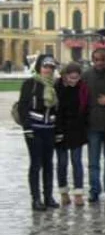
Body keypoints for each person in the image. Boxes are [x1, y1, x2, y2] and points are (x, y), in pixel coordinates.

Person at [18, 55, 60, 211]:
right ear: (39, 67)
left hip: (49, 129)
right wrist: (27, 127)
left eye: (51, 67)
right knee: (36, 164)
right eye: (45, 66)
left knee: (48, 164)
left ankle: (48, 196)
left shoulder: (54, 85)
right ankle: (36, 199)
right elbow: (23, 107)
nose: (48, 70)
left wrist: (58, 130)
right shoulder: (30, 84)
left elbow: (58, 110)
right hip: (34, 128)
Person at [82, 49, 105, 202]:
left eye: (102, 59)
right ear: (92, 60)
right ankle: (94, 190)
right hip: (92, 123)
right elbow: (81, 99)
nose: (99, 62)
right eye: (96, 59)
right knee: (93, 161)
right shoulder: (86, 76)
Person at [54, 62, 89, 206]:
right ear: (65, 76)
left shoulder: (83, 88)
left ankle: (79, 193)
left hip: (77, 130)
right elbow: (55, 110)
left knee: (77, 162)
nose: (74, 81)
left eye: (76, 78)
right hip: (60, 129)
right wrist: (57, 130)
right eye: (71, 78)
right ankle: (63, 193)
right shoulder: (57, 87)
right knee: (62, 163)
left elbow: (85, 109)